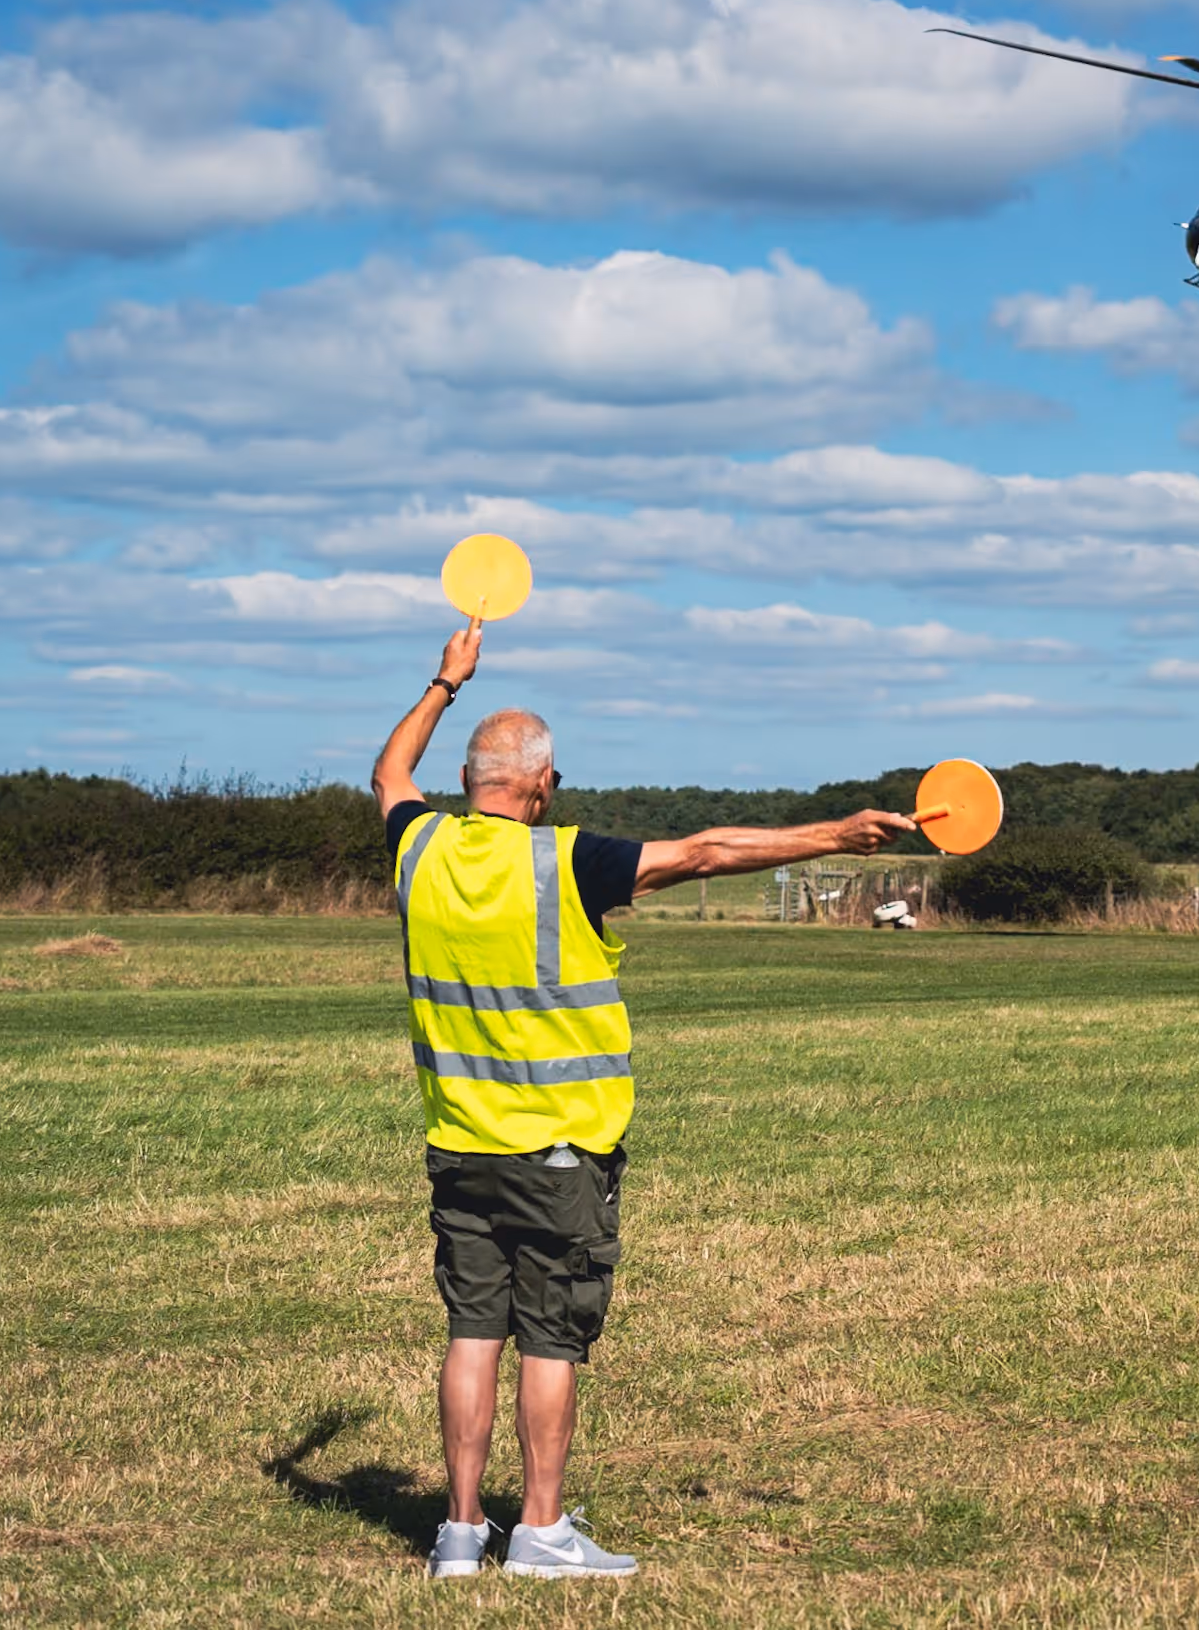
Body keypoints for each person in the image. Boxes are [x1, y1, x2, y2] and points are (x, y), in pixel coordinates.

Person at [371, 625, 914, 1580]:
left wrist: (444, 681)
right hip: (560, 1156)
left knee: (471, 1333)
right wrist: (838, 833)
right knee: (548, 1339)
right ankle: (539, 1533)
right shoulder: (564, 861)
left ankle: (459, 1534)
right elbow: (705, 851)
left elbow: (386, 771)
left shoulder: (417, 849)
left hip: (458, 1145)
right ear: (539, 787)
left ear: (467, 781)